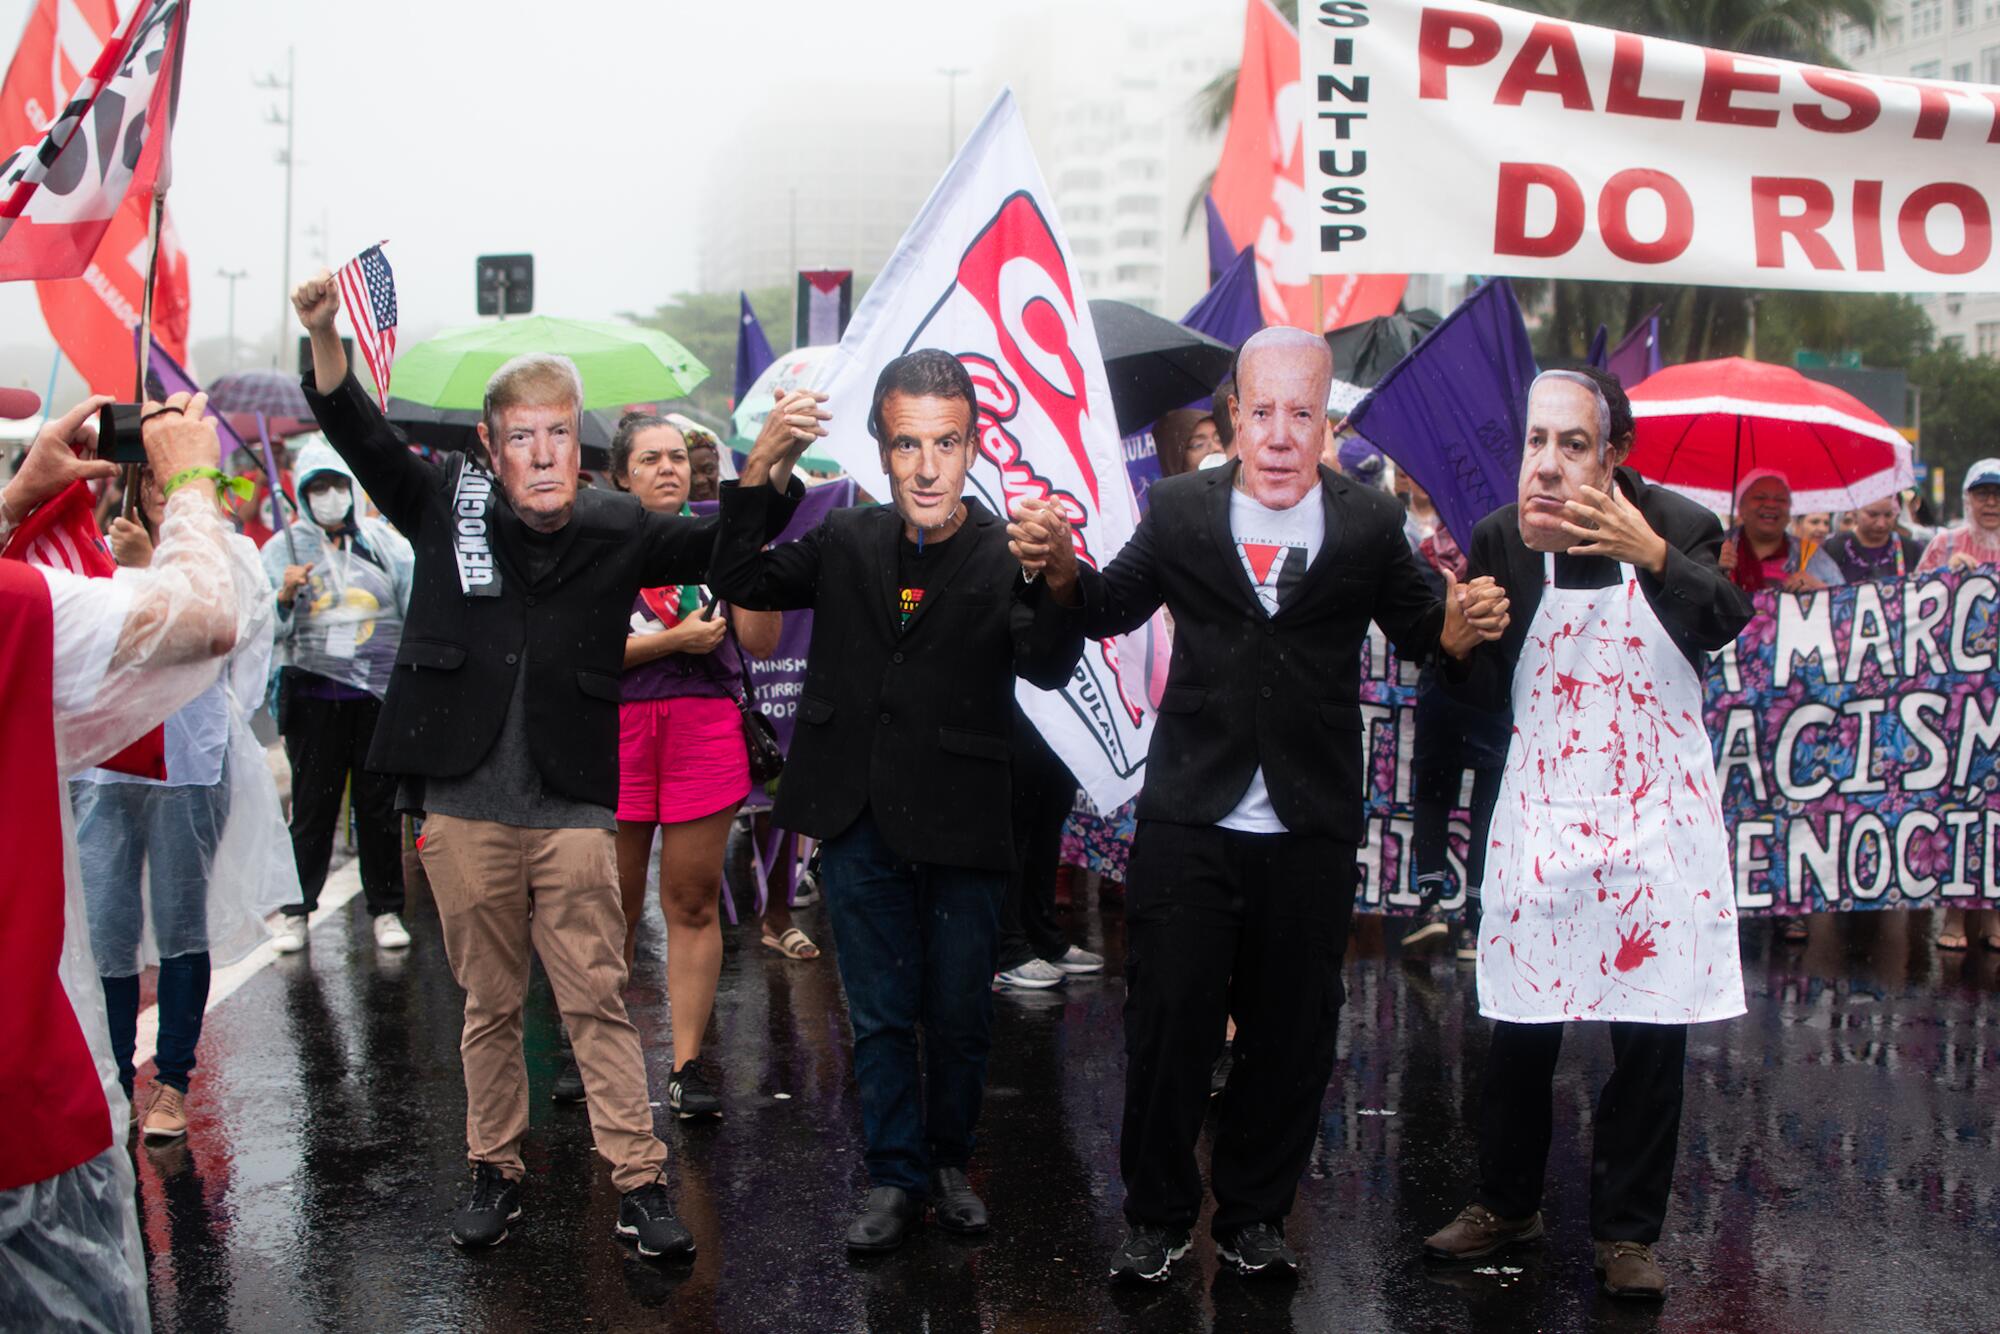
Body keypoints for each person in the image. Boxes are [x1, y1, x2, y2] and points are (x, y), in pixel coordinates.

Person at [293, 270, 807, 1258]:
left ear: (582, 444)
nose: (541, 450)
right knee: (489, 1001)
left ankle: (642, 1183)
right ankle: (495, 1167)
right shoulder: (446, 501)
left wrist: (768, 473)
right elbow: (356, 430)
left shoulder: (617, 525)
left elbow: (725, 547)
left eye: (558, 433)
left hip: (573, 803)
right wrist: (325, 337)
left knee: (597, 994)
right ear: (491, 444)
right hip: (462, 800)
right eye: (521, 433)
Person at [1070, 327, 1506, 1283]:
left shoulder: (1365, 524)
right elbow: (1102, 607)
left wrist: (1462, 630)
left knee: (1291, 1038)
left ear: (1327, 424)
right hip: (1190, 818)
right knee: (1168, 1031)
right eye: (1260, 411)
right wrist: (1053, 572)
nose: (1276, 434)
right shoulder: (1179, 508)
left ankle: (1256, 1219)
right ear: (1233, 417)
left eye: (1299, 414)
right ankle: (1156, 1219)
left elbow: (1426, 633)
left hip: (1307, 826)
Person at [708, 348, 1087, 1254]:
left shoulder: (1011, 550)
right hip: (856, 811)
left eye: (946, 443)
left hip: (962, 814)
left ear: (973, 446)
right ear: (881, 448)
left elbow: (1048, 662)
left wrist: (1062, 575)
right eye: (908, 444)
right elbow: (745, 580)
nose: (926, 466)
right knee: (878, 1011)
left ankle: (949, 1165)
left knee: (957, 1010)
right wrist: (759, 470)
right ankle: (891, 1176)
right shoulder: (845, 537)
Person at [1421, 367, 1753, 1303]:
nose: (1551, 464)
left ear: (1615, 455)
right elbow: (1481, 702)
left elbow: (1726, 622)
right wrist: (1453, 643)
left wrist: (1652, 555)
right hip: (1543, 814)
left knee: (1649, 1039)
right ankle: (1506, 1200)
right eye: (1537, 442)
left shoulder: (1681, 524)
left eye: (1574, 445)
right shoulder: (1499, 538)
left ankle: (1627, 1235)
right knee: (1520, 1024)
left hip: (1654, 825)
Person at [0, 392, 249, 1334]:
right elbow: (203, 618)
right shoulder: (15, 605)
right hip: (17, 1107)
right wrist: (189, 478)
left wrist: (13, 505)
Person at [72, 465, 293, 1142]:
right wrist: (124, 566)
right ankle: (112, 1079)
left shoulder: (234, 554)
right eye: (158, 484)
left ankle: (171, 1082)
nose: (169, 499)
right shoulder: (93, 544)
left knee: (178, 924)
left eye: (184, 484)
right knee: (106, 929)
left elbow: (230, 631)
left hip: (188, 761)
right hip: (105, 767)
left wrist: (151, 574)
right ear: (136, 486)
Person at [604, 410, 796, 1122]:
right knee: (612, 907)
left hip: (704, 730)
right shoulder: (600, 539)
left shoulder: (722, 535)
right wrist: (672, 641)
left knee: (689, 900)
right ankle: (595, 1049)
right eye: (649, 458)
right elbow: (578, 652)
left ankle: (685, 1064)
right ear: (622, 474)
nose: (667, 467)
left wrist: (754, 558)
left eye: (677, 457)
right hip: (618, 731)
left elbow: (763, 642)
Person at [262, 440, 416, 953]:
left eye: (335, 485)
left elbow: (412, 607)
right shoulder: (283, 549)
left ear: (351, 488)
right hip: (312, 701)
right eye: (316, 488)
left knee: (378, 810)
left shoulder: (383, 544)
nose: (328, 497)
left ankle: (388, 910)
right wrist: (284, 596)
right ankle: (295, 911)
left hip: (375, 702)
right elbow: (263, 628)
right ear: (302, 495)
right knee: (312, 809)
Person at [1918, 459, 2000, 952]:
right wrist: (1948, 580)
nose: (1990, 503)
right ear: (1967, 499)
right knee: (1959, 806)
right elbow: (1910, 610)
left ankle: (1992, 916)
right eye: (1982, 494)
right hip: (1953, 701)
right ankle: (1954, 915)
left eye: (1998, 494)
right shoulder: (1943, 544)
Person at [994, 707, 1103, 989]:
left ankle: (1040, 934)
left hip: (1061, 705)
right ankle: (1006, 946)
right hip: (1022, 700)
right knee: (1018, 818)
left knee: (1049, 815)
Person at [1718, 470, 1822, 594]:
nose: (1771, 504)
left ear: (1789, 512)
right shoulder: (1715, 545)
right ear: (1740, 508)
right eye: (1760, 497)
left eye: (1780, 499)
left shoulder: (1809, 553)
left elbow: (1844, 598)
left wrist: (1820, 589)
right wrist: (1711, 569)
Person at [1804, 494, 1923, 587]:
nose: (1881, 524)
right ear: (1855, 513)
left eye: (1888, 515)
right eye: (1873, 515)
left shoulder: (1912, 551)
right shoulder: (1831, 549)